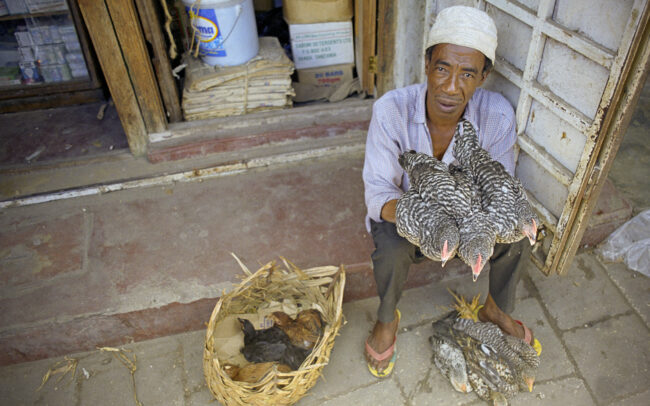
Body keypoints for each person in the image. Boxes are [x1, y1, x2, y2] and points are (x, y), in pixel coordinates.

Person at [362, 5, 537, 378]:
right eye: (442, 68)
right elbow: (378, 193)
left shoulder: (497, 117)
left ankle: (495, 308)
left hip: (472, 221)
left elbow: (500, 192)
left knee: (519, 235)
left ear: (484, 77)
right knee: (391, 247)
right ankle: (386, 316)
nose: (450, 86)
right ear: (426, 64)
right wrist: (422, 218)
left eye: (467, 73)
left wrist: (473, 223)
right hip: (412, 219)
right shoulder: (390, 111)